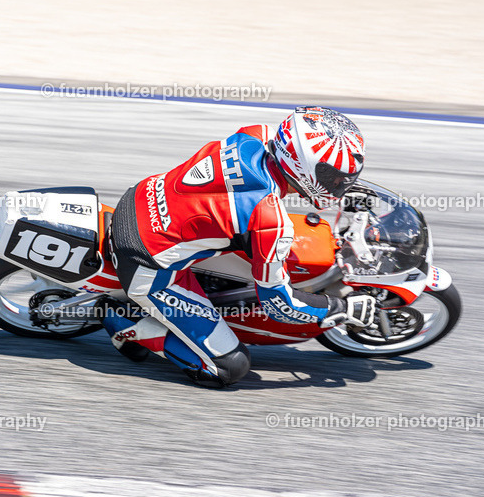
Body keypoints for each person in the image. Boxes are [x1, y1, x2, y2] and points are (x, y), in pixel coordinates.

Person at [103, 106, 376, 387]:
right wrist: (340, 308)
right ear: (304, 167)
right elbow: (279, 306)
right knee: (231, 367)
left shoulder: (257, 135)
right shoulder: (270, 220)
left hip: (141, 196)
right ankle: (127, 325)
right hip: (145, 261)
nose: (338, 183)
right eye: (332, 175)